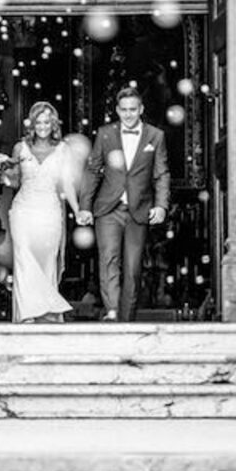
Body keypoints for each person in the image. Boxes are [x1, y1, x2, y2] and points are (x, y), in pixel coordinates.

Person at [78, 87, 170, 322]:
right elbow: (93, 170)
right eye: (124, 110)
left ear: (141, 109)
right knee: (109, 261)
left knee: (132, 269)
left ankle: (125, 321)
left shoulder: (155, 136)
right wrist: (85, 206)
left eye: (133, 109)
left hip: (139, 211)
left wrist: (161, 205)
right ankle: (112, 314)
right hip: (108, 209)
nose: (128, 114)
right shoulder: (105, 133)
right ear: (117, 110)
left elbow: (161, 173)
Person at [6, 102, 80, 323]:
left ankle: (47, 313)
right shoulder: (20, 148)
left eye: (47, 122)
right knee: (23, 255)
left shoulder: (63, 150)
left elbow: (67, 184)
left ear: (53, 124)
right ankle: (27, 312)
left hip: (49, 210)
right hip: (23, 210)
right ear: (32, 124)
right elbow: (14, 180)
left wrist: (77, 211)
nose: (42, 126)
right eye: (38, 122)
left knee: (46, 259)